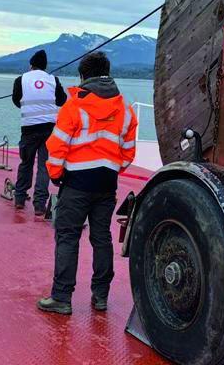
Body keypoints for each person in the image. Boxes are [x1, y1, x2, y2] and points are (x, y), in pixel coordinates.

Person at [37, 52, 137, 315]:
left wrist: (56, 175)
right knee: (101, 238)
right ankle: (101, 296)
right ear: (108, 72)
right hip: (107, 185)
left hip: (76, 184)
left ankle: (61, 297)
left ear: (83, 77)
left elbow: (56, 147)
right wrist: (111, 170)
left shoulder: (74, 106)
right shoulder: (125, 110)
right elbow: (128, 153)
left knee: (68, 237)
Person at [11, 49, 66, 215]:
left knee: (26, 163)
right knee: (44, 166)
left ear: (31, 65)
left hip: (29, 128)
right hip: (49, 129)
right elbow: (62, 100)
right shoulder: (53, 79)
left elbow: (16, 100)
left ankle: (20, 199)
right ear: (45, 67)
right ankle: (40, 205)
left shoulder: (21, 79)